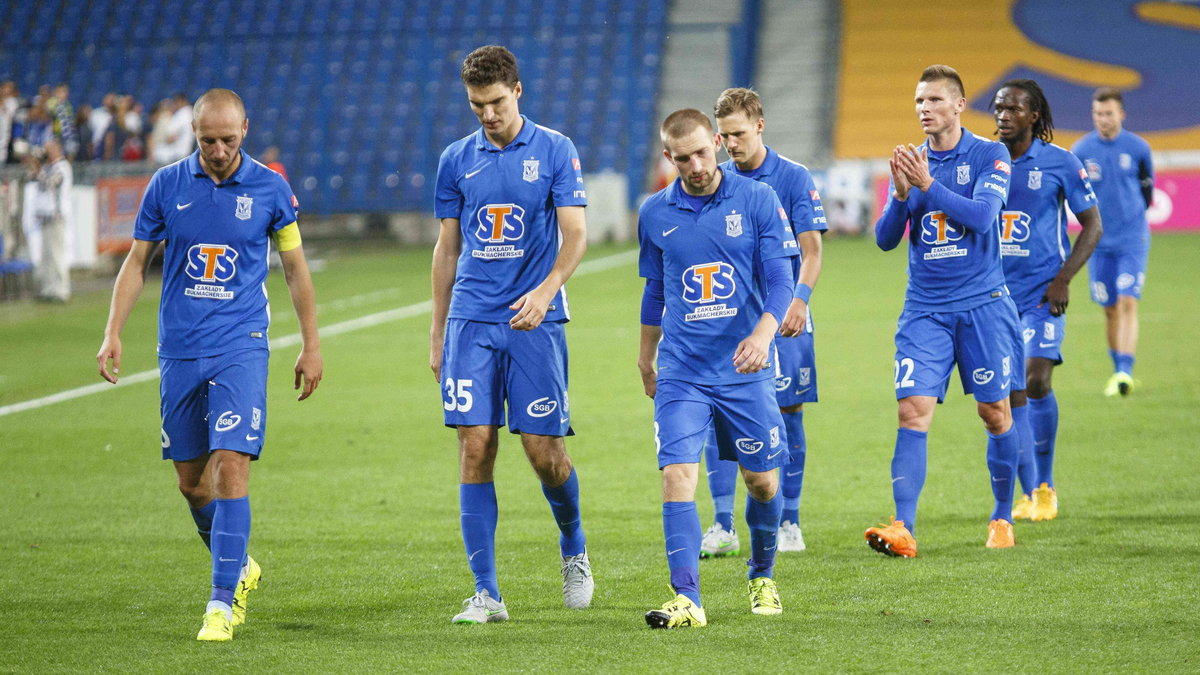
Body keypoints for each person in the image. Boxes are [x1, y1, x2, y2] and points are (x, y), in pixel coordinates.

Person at [95, 88, 323, 642]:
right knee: (191, 484)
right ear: (193, 134)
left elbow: (294, 269)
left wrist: (311, 343)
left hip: (241, 344)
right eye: (207, 140)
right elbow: (136, 264)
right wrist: (113, 333)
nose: (218, 150)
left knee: (231, 465)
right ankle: (238, 563)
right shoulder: (166, 186)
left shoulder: (271, 188)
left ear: (244, 128)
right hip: (178, 349)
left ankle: (221, 603)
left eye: (227, 139)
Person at [430, 45, 593, 625]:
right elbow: (447, 248)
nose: (488, 114)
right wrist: (437, 331)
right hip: (471, 320)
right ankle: (486, 592)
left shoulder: (554, 150)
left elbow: (575, 234)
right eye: (477, 105)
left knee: (543, 453)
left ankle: (573, 544)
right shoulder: (456, 159)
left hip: (534, 322)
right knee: (474, 446)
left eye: (496, 102)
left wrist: (547, 290)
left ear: (517, 91)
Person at [638, 108, 799, 628]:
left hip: (744, 368)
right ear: (669, 157)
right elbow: (655, 289)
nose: (697, 166)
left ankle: (762, 574)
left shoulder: (757, 200)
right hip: (683, 369)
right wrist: (646, 354)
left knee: (762, 483)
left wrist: (762, 333)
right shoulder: (655, 213)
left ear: (716, 144)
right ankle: (687, 598)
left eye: (704, 152)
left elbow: (780, 280)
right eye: (683, 158)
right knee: (676, 474)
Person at [866, 65, 1022, 557]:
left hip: (982, 306)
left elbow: (981, 217)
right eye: (918, 101)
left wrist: (928, 184)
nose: (924, 109)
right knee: (912, 411)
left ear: (958, 105)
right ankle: (903, 527)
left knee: (995, 414)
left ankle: (1001, 516)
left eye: (934, 100)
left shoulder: (989, 154)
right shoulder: (910, 162)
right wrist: (900, 194)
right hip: (925, 310)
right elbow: (886, 240)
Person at [697, 87, 825, 557]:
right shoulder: (718, 182)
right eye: (724, 136)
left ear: (760, 126)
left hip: (785, 317)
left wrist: (800, 299)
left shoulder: (792, 177)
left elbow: (811, 252)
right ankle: (723, 524)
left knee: (788, 414)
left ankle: (789, 521)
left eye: (739, 134)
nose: (731, 144)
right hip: (732, 322)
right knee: (718, 415)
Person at [992, 79, 1102, 522]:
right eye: (999, 107)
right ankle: (1025, 493)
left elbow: (1092, 226)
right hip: (993, 297)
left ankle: (1045, 485)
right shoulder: (984, 160)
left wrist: (1063, 279)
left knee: (1035, 380)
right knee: (1005, 394)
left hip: (1042, 293)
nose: (1003, 115)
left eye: (1013, 109)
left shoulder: (1060, 162)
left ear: (1033, 115)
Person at [1071, 88, 1154, 397]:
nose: (1102, 119)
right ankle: (1117, 366)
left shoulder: (1138, 148)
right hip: (1098, 244)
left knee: (1128, 301)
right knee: (1109, 309)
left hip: (1133, 239)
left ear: (1121, 114)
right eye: (1097, 114)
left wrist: (1130, 220)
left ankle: (1125, 373)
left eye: (1108, 113)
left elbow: (1147, 192)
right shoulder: (1080, 150)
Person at [31, 139, 73, 302]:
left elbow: (51, 183)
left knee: (56, 254)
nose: (45, 153)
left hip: (56, 216)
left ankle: (61, 290)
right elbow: (32, 179)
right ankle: (48, 289)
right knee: (46, 254)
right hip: (45, 216)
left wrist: (38, 169)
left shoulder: (62, 167)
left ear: (56, 150)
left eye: (48, 150)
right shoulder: (49, 167)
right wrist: (36, 166)